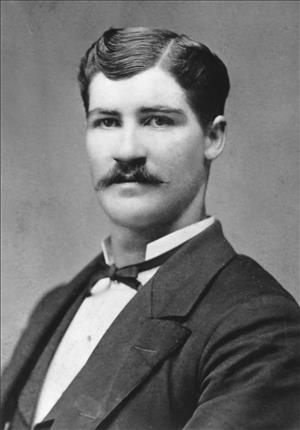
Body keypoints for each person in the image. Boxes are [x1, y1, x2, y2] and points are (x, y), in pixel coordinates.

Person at [1, 27, 299, 430]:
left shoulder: (259, 327)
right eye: (106, 122)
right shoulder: (53, 307)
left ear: (213, 137)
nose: (126, 151)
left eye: (157, 121)